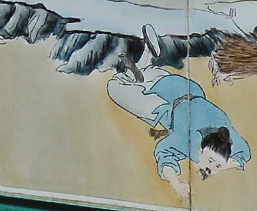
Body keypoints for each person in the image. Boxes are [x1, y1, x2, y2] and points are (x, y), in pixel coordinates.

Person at [106, 42, 249, 201]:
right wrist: (176, 184)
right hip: (163, 102)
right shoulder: (186, 142)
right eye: (210, 161)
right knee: (115, 88)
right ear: (201, 151)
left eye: (216, 166)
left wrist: (218, 165)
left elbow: (243, 154)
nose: (211, 169)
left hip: (186, 87)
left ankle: (147, 57)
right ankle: (131, 75)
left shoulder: (226, 133)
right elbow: (163, 153)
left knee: (150, 75)